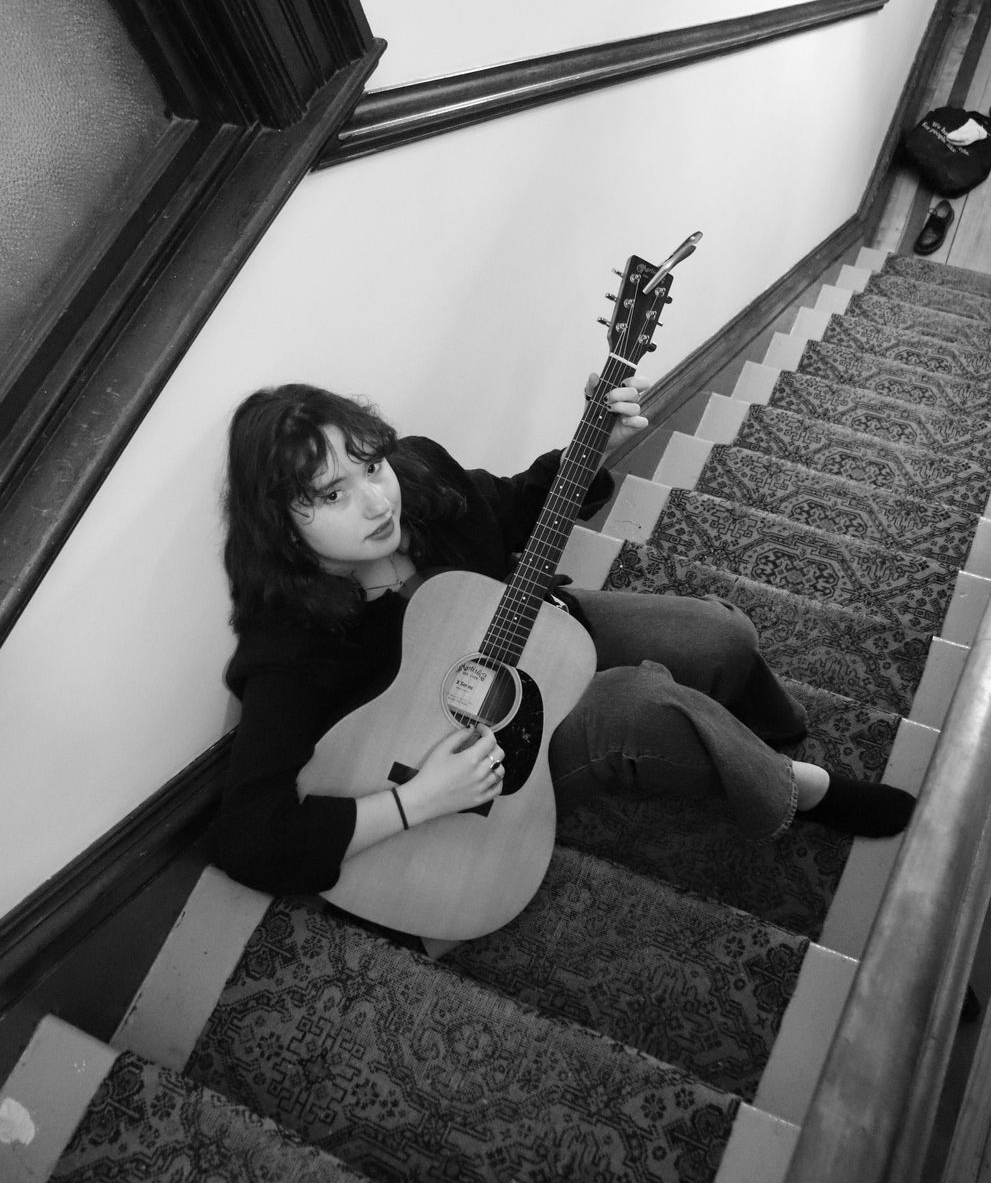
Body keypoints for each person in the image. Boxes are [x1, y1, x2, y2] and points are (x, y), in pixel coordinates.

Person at [215, 380, 914, 902]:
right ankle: (800, 792)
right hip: (490, 763)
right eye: (331, 494)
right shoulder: (291, 638)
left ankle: (768, 732)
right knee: (639, 705)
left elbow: (516, 503)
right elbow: (248, 836)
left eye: (370, 466)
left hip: (536, 635)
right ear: (282, 525)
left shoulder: (419, 478)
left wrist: (592, 445)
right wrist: (418, 800)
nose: (376, 501)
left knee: (719, 634)